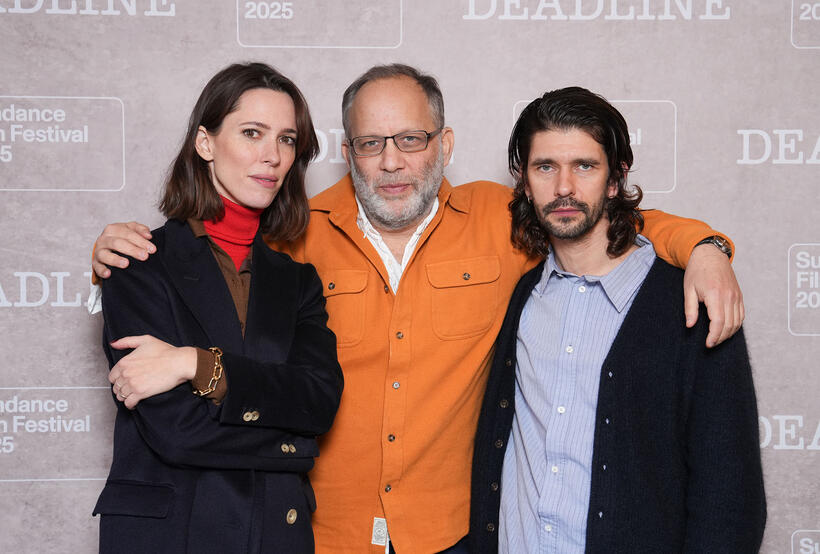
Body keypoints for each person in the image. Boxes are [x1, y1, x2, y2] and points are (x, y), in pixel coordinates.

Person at [90, 64, 744, 554]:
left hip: (450, 536)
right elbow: (208, 257)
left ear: (446, 143)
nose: (393, 162)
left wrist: (706, 247)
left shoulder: (500, 218)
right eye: (371, 144)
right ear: (346, 154)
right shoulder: (295, 234)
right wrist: (127, 246)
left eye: (411, 138)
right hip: (322, 534)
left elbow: (601, 214)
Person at [469, 87, 766, 553]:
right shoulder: (522, 295)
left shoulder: (690, 301)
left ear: (615, 179)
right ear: (525, 181)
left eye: (584, 166)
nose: (564, 187)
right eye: (545, 167)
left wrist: (708, 248)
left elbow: (730, 498)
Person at [92, 62, 343, 554]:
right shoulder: (137, 261)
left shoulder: (298, 282)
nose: (271, 155)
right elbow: (178, 432)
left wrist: (195, 364)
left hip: (274, 532)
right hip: (171, 536)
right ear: (205, 143)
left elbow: (318, 400)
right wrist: (294, 446)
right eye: (252, 133)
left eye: (287, 139)